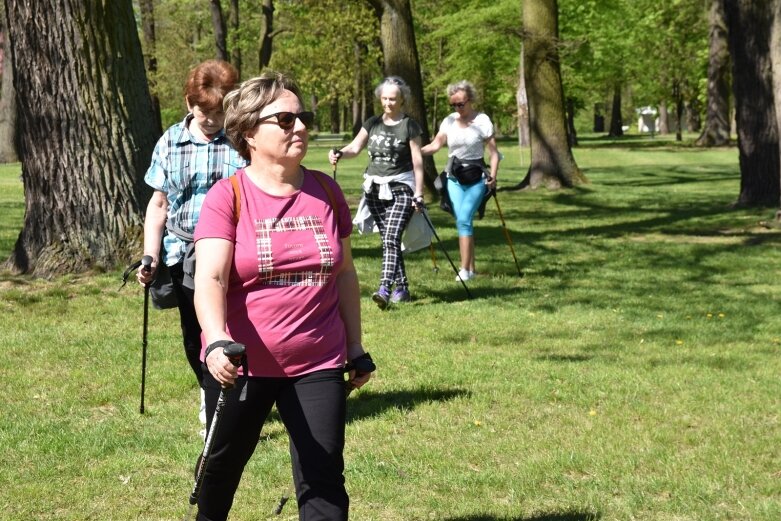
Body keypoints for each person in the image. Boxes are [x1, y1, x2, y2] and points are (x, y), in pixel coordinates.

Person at [192, 71, 372, 521]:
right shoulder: (227, 197)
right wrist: (215, 340)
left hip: (319, 361)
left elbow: (345, 273)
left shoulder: (327, 192)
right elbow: (211, 279)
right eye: (286, 119)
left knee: (323, 476)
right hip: (242, 364)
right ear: (249, 131)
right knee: (220, 470)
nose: (300, 127)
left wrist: (354, 346)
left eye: (302, 117)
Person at [136, 60, 246, 432]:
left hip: (233, 251)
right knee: (195, 332)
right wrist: (150, 254)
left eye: (221, 111)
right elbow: (159, 205)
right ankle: (209, 391)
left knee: (232, 326)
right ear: (189, 103)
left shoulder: (240, 140)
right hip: (182, 253)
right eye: (205, 110)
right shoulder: (170, 141)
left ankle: (235, 400)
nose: (213, 119)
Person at [329, 76, 425, 310]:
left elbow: (417, 160)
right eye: (385, 98)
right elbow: (355, 147)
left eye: (393, 99)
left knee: (391, 238)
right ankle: (402, 288)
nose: (389, 103)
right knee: (388, 241)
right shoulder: (372, 123)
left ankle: (384, 288)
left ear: (402, 100)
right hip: (374, 189)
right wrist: (340, 153)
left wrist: (419, 192)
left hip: (401, 187)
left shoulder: (409, 125)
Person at [421, 80, 499, 281]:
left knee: (464, 219)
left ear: (470, 100)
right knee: (463, 221)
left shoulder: (482, 121)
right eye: (453, 105)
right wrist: (414, 151)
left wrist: (494, 176)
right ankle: (471, 268)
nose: (457, 108)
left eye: (460, 104)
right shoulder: (448, 121)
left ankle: (464, 270)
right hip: (454, 177)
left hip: (477, 177)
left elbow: (494, 154)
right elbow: (435, 145)